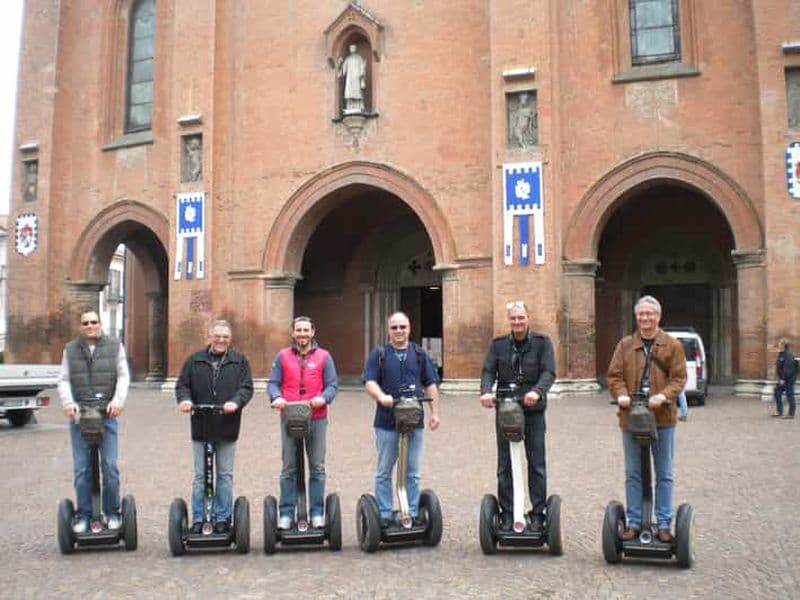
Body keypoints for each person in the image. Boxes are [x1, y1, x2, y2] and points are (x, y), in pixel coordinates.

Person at [607, 295, 687, 543]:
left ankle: (663, 524)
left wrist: (663, 395)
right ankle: (633, 522)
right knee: (633, 472)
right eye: (641, 314)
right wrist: (621, 395)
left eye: (649, 314)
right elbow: (614, 376)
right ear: (636, 317)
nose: (645, 318)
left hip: (662, 419)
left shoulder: (672, 345)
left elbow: (679, 378)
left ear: (658, 317)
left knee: (664, 473)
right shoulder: (625, 345)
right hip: (631, 418)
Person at [479, 300, 556, 532]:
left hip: (532, 410)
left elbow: (549, 372)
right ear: (509, 320)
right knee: (504, 464)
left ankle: (538, 513)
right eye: (513, 318)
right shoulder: (498, 345)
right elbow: (488, 370)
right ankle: (508, 512)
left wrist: (537, 392)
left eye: (521, 317)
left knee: (536, 463)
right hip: (506, 409)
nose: (517, 322)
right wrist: (486, 391)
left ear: (528, 318)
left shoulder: (542, 343)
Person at [363, 311, 441, 526]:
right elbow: (369, 381)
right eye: (394, 327)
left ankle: (412, 512)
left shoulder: (419, 354)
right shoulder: (379, 354)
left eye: (403, 327)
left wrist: (435, 413)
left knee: (412, 472)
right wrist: (381, 396)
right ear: (389, 330)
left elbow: (430, 384)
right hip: (387, 422)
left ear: (409, 329)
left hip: (414, 421)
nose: (399, 331)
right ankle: (385, 514)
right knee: (384, 471)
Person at [175, 319, 253, 535]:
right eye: (217, 336)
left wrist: (235, 402)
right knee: (201, 476)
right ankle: (199, 518)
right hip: (201, 425)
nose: (221, 340)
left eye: (225, 337)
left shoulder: (239, 361)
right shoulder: (195, 360)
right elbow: (182, 385)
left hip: (227, 425)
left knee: (225, 475)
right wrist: (185, 400)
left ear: (230, 339)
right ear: (209, 336)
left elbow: (246, 388)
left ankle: (222, 518)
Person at [57, 309, 130, 533]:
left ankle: (112, 513)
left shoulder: (115, 346)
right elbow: (64, 379)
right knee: (82, 469)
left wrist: (118, 401)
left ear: (100, 324)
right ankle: (83, 515)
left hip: (106, 415)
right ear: (81, 327)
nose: (90, 326)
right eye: (86, 323)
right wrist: (68, 403)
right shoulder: (70, 349)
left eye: (94, 322)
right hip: (80, 417)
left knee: (110, 466)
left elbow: (123, 376)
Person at [267, 316, 338, 530]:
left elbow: (332, 385)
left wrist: (323, 398)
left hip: (316, 417)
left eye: (306, 330)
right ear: (293, 333)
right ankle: (286, 513)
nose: (302, 334)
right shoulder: (282, 356)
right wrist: (276, 397)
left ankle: (316, 512)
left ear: (313, 332)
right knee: (289, 467)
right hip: (290, 417)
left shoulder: (324, 356)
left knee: (317, 467)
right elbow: (273, 383)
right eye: (298, 330)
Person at [338, 43, 367, 114]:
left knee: (358, 92)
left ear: (355, 49)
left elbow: (362, 68)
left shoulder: (359, 58)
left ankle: (358, 106)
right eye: (351, 48)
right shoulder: (347, 59)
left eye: (353, 47)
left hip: (356, 77)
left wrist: (362, 78)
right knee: (349, 92)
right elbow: (343, 70)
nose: (352, 49)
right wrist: (339, 64)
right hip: (349, 78)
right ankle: (349, 106)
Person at [773, 337, 797, 419]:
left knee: (790, 395)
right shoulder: (781, 353)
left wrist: (783, 379)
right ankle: (779, 411)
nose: (778, 344)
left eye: (780, 343)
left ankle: (791, 414)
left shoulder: (788, 355)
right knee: (777, 392)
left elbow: (788, 368)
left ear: (783, 345)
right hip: (782, 378)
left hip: (788, 379)